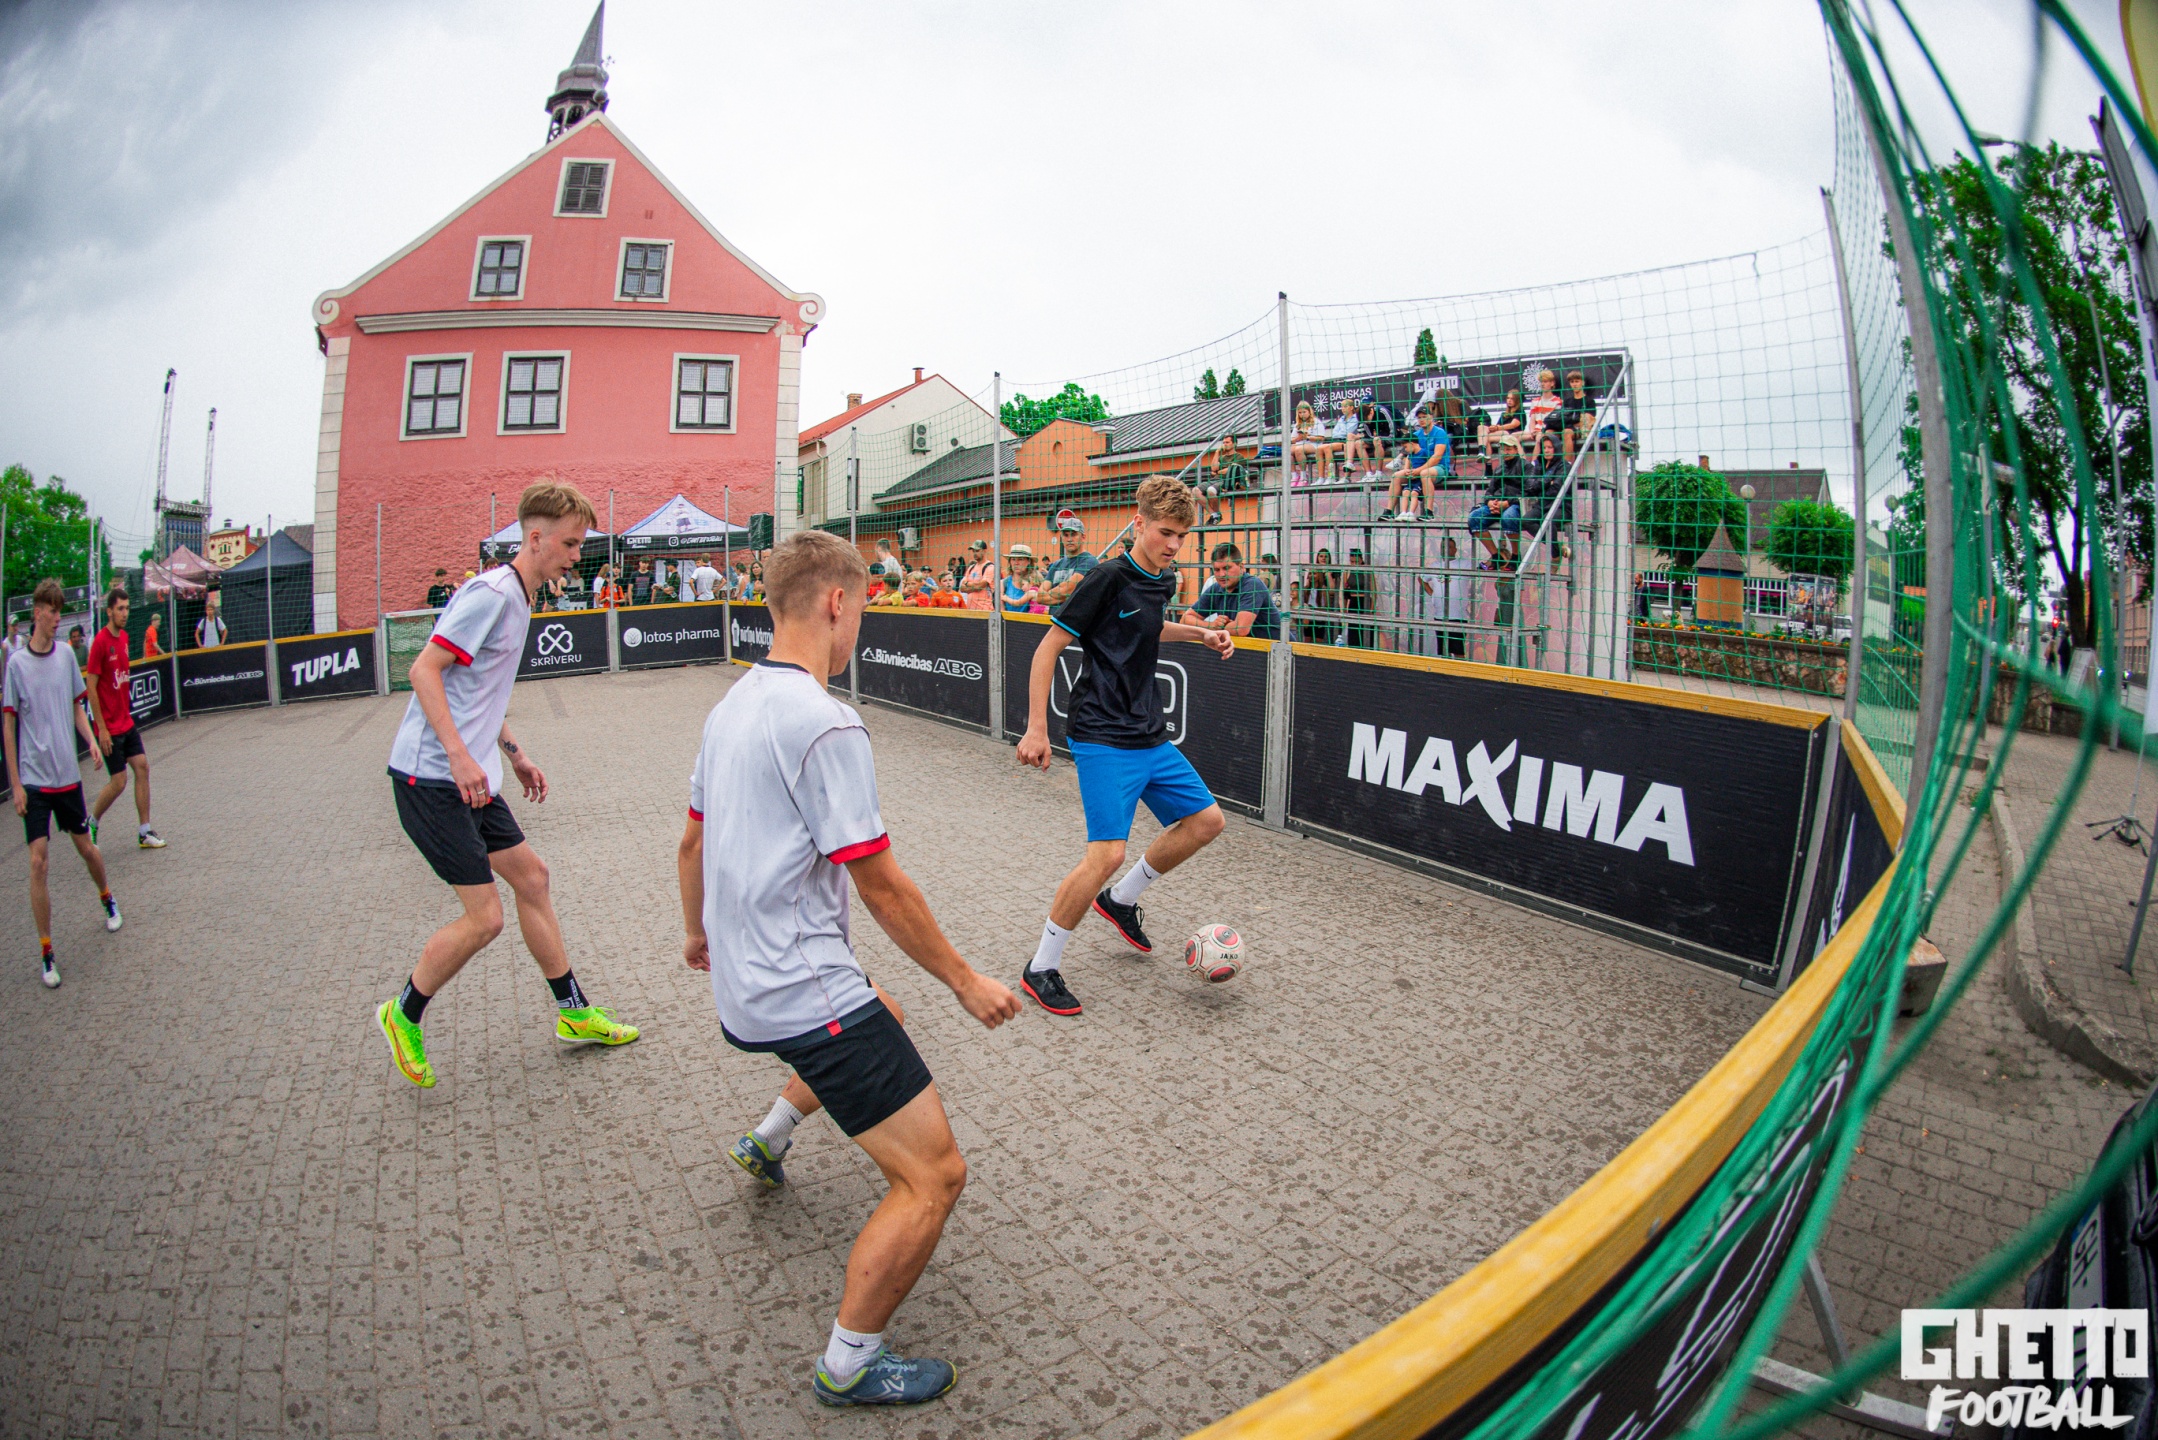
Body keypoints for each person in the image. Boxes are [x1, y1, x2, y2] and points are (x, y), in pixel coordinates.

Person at [677, 529, 1017, 1405]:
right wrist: (967, 980)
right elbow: (882, 885)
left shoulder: (731, 705)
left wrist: (696, 935)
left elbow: (691, 842)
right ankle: (850, 1362)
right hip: (800, 989)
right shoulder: (825, 721)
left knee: (883, 1009)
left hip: (745, 984)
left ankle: (768, 1137)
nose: (860, 624)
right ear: (837, 602)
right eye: (861, 607)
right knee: (934, 1175)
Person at [376, 481, 639, 1090]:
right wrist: (459, 757)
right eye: (570, 544)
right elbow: (425, 671)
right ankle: (402, 1013)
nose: (576, 556)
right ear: (536, 537)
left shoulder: (521, 598)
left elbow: (478, 694)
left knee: (533, 878)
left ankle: (574, 1013)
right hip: (430, 779)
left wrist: (514, 755)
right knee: (484, 919)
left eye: (580, 545)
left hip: (471, 777)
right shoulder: (491, 594)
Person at [1015, 475, 1235, 1017]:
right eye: (1165, 532)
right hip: (1101, 734)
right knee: (1106, 854)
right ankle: (1040, 967)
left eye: (1182, 536)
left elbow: (1149, 627)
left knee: (1206, 822)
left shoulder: (1164, 577)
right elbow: (1048, 647)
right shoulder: (1105, 577)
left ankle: (1120, 900)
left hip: (1148, 731)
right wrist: (1037, 727)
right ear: (1138, 523)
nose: (1174, 544)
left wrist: (1201, 634)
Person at [5, 579, 121, 988]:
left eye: (60, 611)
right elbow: (8, 725)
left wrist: (90, 739)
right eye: (52, 611)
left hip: (67, 777)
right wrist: (16, 785)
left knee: (86, 848)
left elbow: (76, 708)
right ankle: (46, 950)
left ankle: (107, 897)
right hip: (34, 781)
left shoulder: (67, 656)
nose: (58, 618)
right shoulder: (16, 665)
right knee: (38, 861)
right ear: (37, 613)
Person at [84, 589, 164, 851]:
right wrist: (102, 729)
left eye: (127, 608)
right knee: (119, 781)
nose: (125, 613)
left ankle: (144, 831)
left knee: (142, 767)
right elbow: (91, 687)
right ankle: (91, 822)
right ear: (109, 611)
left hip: (125, 722)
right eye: (120, 608)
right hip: (109, 728)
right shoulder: (100, 643)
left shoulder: (126, 638)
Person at [1182, 542, 1283, 640]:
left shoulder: (1252, 585)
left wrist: (1218, 628)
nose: (1222, 574)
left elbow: (1241, 629)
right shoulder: (1216, 589)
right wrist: (1211, 625)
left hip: (1278, 647)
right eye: (1217, 570)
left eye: (1226, 568)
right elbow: (1185, 620)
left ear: (1241, 567)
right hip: (1248, 648)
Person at [1379, 403, 1452, 522]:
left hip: (1439, 467)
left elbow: (1437, 457)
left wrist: (1418, 470)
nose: (1421, 420)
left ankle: (1429, 513)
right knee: (1396, 476)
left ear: (1431, 417)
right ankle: (1389, 511)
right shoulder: (1416, 435)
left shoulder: (1440, 433)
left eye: (1424, 417)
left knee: (1425, 473)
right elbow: (1408, 454)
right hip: (1418, 468)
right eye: (1419, 417)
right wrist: (1407, 469)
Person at [1469, 448, 1528, 569]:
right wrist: (1490, 502)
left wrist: (1507, 502)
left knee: (1508, 517)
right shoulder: (1499, 469)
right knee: (1474, 518)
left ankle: (1516, 556)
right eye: (1503, 449)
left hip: (1515, 504)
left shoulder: (1526, 467)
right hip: (1497, 504)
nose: (1505, 452)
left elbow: (1528, 491)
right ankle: (1496, 557)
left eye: (1509, 449)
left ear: (1516, 449)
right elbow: (1489, 491)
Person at [1426, 536, 1475, 658]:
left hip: (1458, 617)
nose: (1445, 549)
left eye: (1449, 546)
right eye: (1443, 547)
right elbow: (1421, 579)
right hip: (1439, 616)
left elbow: (1482, 568)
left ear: (1455, 550)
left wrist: (1495, 557)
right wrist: (1433, 594)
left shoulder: (1464, 564)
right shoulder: (1435, 566)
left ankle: (1460, 670)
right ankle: (1444, 670)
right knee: (1443, 651)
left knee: (1458, 652)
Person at [1038, 515, 1098, 610]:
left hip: (1076, 618)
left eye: (1073, 534)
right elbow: (1039, 597)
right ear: (1062, 538)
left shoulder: (1089, 561)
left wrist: (1049, 594)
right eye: (1066, 535)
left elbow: (1068, 589)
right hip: (1052, 618)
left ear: (1083, 537)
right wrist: (1064, 596)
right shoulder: (1056, 564)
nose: (1069, 539)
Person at [1342, 548, 1378, 649]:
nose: (1354, 564)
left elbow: (1374, 592)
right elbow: (1345, 592)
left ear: (1361, 560)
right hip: (1353, 603)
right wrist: (1344, 609)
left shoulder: (1367, 571)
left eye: (1356, 562)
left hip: (1364, 602)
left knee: (1366, 633)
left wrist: (1371, 610)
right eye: (1352, 562)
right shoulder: (1347, 572)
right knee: (1353, 633)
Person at [1289, 402, 1329, 483]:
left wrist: (1307, 437)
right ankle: (1294, 475)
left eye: (1304, 412)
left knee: (1299, 449)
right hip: (1299, 443)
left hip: (1313, 444)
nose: (1302, 415)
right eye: (1300, 413)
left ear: (1309, 411)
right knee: (1287, 451)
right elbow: (1291, 439)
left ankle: (1303, 476)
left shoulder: (1316, 422)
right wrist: (1298, 438)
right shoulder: (1298, 424)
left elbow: (1321, 438)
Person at [1482, 389, 1528, 457]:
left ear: (1517, 400)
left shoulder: (1520, 412)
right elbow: (1498, 425)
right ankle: (1487, 460)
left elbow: (1513, 425)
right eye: (1508, 398)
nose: (1509, 400)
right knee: (1485, 438)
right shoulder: (1504, 414)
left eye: (1512, 399)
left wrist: (1498, 428)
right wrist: (1493, 428)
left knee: (1486, 438)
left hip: (1513, 434)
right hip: (1502, 434)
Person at [1000, 545, 1040, 612]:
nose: (1016, 563)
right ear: (1010, 562)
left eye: (1020, 559)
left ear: (1029, 561)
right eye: (1013, 559)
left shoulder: (1036, 582)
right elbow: (1001, 611)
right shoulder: (1003, 583)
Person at [960, 540, 997, 611]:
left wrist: (967, 584)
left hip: (985, 610)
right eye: (973, 551)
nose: (974, 553)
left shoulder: (990, 567)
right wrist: (974, 587)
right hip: (970, 609)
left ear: (984, 551)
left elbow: (980, 586)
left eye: (977, 551)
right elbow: (962, 588)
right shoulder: (971, 568)